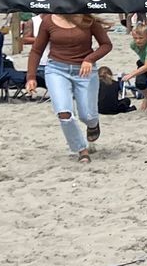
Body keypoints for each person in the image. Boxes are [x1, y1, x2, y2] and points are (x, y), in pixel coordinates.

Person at [23, 12, 113, 161]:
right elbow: (36, 50)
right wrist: (31, 77)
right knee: (64, 113)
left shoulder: (88, 20)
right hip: (56, 69)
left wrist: (90, 59)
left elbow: (106, 45)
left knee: (87, 115)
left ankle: (93, 124)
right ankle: (81, 150)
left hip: (84, 70)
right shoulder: (48, 21)